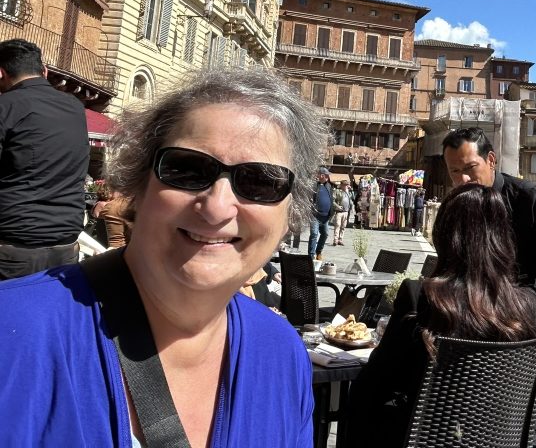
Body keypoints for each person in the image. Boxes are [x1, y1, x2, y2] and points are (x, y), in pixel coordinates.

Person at [0, 67, 328, 444]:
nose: (217, 208)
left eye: (261, 181)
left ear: (291, 214)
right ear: (139, 184)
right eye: (187, 169)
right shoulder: (13, 334)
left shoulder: (280, 353)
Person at [346, 184, 536, 447]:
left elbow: (373, 383)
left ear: (445, 235)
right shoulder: (528, 306)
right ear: (504, 237)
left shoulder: (423, 297)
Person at [442, 127, 536, 439]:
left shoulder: (533, 200)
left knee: (526, 422)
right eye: (454, 172)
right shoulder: (461, 205)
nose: (463, 180)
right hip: (492, 321)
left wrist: (523, 300)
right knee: (483, 419)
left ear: (490, 160)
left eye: (470, 168)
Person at [0, 39, 89, 279]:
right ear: (45, 71)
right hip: (66, 245)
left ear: (1, 73)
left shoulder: (6, 106)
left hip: (13, 247)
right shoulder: (75, 107)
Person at [308, 166, 332, 260]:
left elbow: (331, 199)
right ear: (322, 175)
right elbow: (309, 198)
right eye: (326, 175)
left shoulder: (329, 186)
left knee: (325, 234)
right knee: (314, 234)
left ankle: (319, 252)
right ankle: (311, 255)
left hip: (325, 217)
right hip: (315, 215)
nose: (328, 177)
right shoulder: (314, 186)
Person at [331, 180, 352, 246]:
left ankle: (340, 239)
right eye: (345, 185)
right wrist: (337, 206)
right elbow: (332, 200)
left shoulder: (348, 193)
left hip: (346, 212)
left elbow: (351, 201)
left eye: (347, 185)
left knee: (343, 226)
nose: (347, 186)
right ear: (342, 185)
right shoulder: (337, 191)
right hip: (339, 212)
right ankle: (335, 240)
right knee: (337, 225)